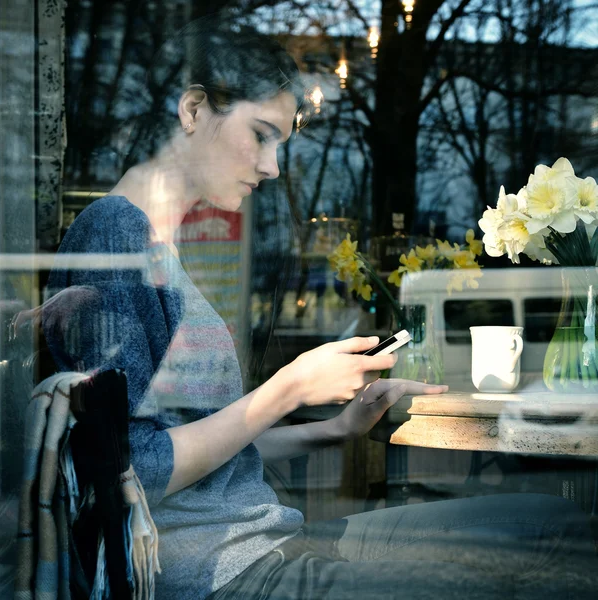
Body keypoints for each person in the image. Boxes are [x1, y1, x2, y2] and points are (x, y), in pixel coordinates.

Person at [43, 17, 598, 600]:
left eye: (279, 143)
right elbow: (130, 471)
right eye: (260, 134)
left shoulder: (157, 245)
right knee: (554, 546)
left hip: (269, 544)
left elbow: (211, 456)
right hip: (224, 576)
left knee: (549, 522)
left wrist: (333, 430)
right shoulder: (114, 235)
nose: (272, 167)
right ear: (193, 110)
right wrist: (289, 388)